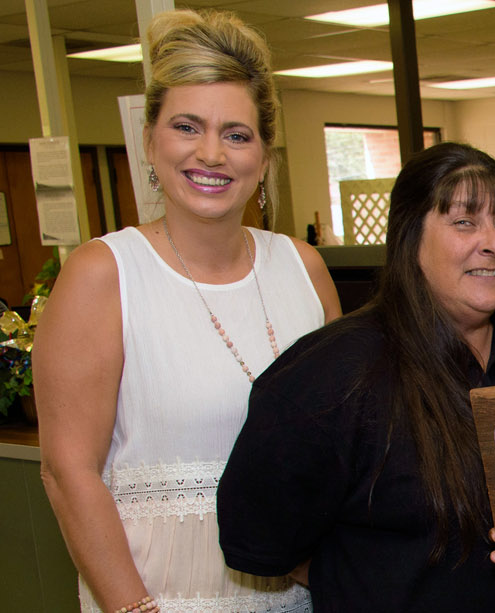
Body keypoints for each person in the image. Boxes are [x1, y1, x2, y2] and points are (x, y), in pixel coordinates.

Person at [33, 9, 340, 613]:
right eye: (186, 126)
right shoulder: (104, 274)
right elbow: (69, 473)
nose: (211, 153)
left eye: (236, 134)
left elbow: (342, 451)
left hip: (297, 599)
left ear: (265, 155)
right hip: (160, 598)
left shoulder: (302, 268)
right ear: (150, 140)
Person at [214, 143, 495, 611]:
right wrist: (365, 579)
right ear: (409, 234)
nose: (494, 242)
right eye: (464, 221)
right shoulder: (335, 374)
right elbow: (260, 536)